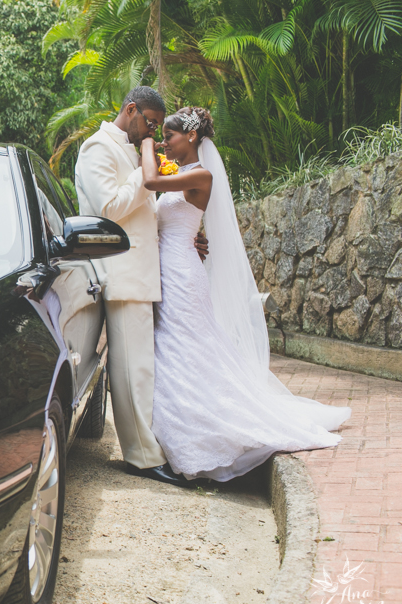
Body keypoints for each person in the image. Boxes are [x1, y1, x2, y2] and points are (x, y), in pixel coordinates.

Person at [139, 107, 348, 481]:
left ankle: (203, 430)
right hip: (168, 268)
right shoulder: (180, 174)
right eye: (162, 137)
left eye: (168, 136)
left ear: (191, 136)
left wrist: (144, 142)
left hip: (183, 274)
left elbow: (151, 182)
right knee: (173, 347)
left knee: (188, 345)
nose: (164, 143)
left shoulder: (200, 175)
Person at [75, 86, 203, 487]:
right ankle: (143, 458)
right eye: (150, 123)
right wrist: (143, 171)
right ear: (131, 110)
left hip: (142, 273)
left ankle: (144, 449)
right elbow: (109, 209)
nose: (152, 132)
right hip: (122, 272)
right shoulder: (97, 148)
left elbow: (143, 216)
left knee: (140, 368)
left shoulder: (131, 149)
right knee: (134, 369)